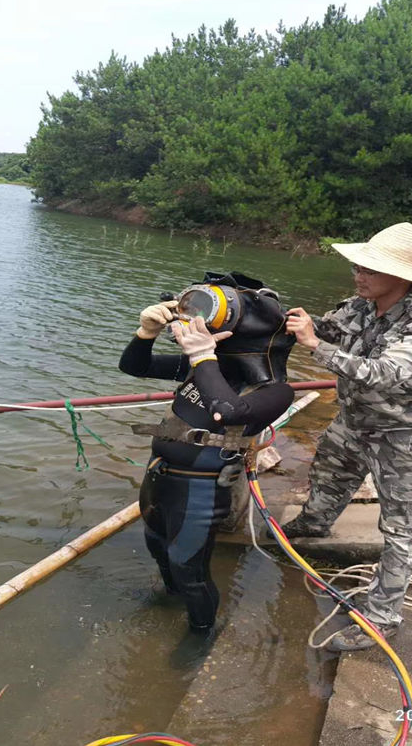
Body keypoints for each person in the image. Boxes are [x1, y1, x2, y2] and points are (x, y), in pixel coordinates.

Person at [281, 222, 412, 652]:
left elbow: (382, 373)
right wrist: (298, 321)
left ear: (401, 277)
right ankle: (314, 524)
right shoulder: (359, 307)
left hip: (404, 433)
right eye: (358, 266)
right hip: (355, 420)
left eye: (370, 270)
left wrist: (312, 346)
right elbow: (330, 329)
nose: (359, 275)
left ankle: (382, 618)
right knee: (328, 469)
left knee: (401, 526)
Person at [119, 272, 295, 634]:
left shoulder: (274, 390)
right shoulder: (206, 367)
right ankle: (169, 599)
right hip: (158, 475)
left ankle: (201, 632)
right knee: (156, 546)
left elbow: (228, 412)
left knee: (189, 568)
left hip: (200, 490)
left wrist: (202, 355)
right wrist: (146, 333)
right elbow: (135, 367)